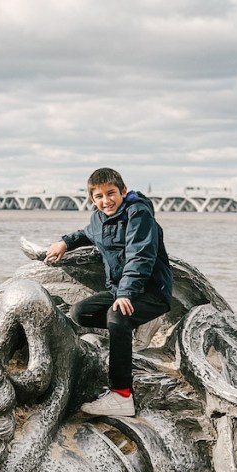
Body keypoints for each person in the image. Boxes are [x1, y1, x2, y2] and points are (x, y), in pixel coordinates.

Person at [45, 167, 173, 417]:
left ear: (123, 191)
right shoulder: (98, 218)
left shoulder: (139, 214)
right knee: (80, 313)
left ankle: (122, 395)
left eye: (111, 193)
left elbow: (140, 255)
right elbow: (87, 234)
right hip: (121, 291)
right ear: (92, 199)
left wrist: (125, 294)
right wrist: (65, 242)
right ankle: (124, 337)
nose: (106, 201)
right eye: (99, 196)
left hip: (151, 291)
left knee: (118, 317)